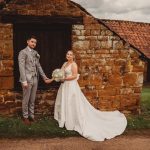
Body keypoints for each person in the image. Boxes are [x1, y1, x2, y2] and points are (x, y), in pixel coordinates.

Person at [53, 50, 127, 141]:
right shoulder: (64, 64)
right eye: (67, 54)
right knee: (65, 102)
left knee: (71, 103)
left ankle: (72, 121)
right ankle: (64, 119)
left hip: (71, 86)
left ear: (73, 56)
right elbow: (61, 72)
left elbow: (74, 76)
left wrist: (64, 78)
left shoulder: (74, 65)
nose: (69, 55)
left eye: (71, 54)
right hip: (64, 86)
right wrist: (58, 77)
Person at [18, 35, 53, 125]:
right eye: (32, 42)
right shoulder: (23, 52)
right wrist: (24, 80)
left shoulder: (35, 53)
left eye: (35, 42)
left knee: (32, 99)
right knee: (26, 99)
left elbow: (39, 66)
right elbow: (21, 67)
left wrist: (44, 77)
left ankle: (31, 116)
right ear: (28, 41)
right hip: (27, 79)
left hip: (35, 79)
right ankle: (25, 117)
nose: (34, 44)